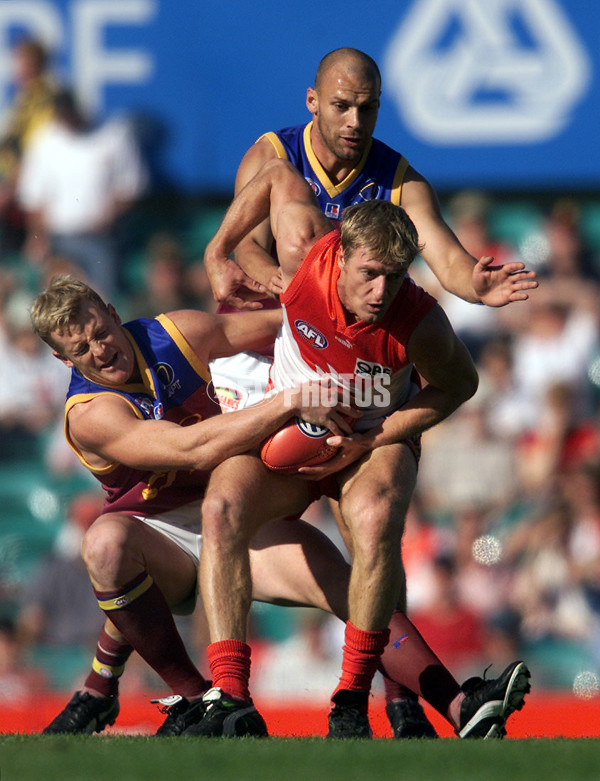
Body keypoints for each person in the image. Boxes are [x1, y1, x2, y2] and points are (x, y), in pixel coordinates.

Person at [205, 48, 537, 736]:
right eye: (342, 105)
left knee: (378, 521)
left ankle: (381, 695)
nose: (356, 121)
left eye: (369, 108)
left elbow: (445, 262)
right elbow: (245, 243)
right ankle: (228, 697)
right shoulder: (275, 163)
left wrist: (478, 284)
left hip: (374, 388)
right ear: (311, 103)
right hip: (292, 364)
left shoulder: (400, 182)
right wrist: (282, 288)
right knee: (224, 504)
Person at [29, 274, 355, 735]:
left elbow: (285, 324)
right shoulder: (90, 413)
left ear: (114, 313)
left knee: (353, 585)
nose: (99, 351)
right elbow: (193, 451)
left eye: (101, 333)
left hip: (231, 501)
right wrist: (291, 401)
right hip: (162, 526)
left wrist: (352, 319)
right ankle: (198, 697)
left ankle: (448, 702)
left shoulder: (175, 334)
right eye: (82, 350)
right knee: (104, 545)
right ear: (63, 360)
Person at [17, 89, 148, 298]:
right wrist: (39, 236)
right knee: (52, 298)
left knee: (102, 299)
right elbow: (33, 197)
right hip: (57, 239)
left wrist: (108, 217)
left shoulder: (112, 135)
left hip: (100, 237)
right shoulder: (44, 141)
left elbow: (131, 186)